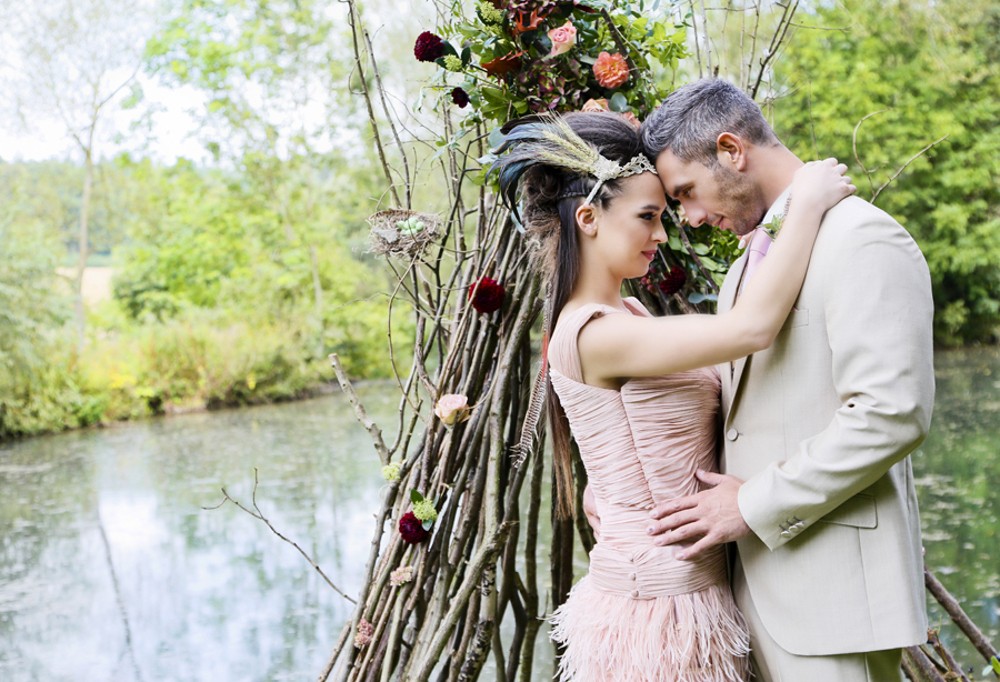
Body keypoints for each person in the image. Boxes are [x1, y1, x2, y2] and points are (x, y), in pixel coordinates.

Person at [492, 111, 854, 682]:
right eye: (648, 217)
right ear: (588, 218)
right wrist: (805, 203)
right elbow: (750, 330)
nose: (661, 235)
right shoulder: (598, 332)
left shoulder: (626, 314)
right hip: (657, 611)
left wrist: (612, 491)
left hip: (691, 594)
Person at [639, 79, 935, 681]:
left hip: (834, 598)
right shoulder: (745, 269)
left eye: (687, 193)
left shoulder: (863, 238)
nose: (691, 218)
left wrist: (751, 504)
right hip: (754, 592)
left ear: (731, 149)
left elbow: (890, 413)